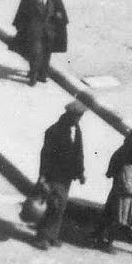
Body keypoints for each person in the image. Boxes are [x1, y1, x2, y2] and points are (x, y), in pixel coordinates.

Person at [34, 101, 87, 250]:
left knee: (60, 206)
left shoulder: (77, 130)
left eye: (80, 116)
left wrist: (81, 172)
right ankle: (42, 237)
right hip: (54, 174)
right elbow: (45, 155)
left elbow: (79, 152)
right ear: (69, 115)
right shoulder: (54, 131)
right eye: (76, 116)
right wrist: (43, 175)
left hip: (67, 175)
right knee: (53, 204)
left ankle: (52, 235)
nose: (78, 119)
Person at [98, 130, 132, 255]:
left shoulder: (120, 152)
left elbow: (109, 173)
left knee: (118, 218)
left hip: (121, 190)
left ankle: (108, 243)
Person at [11, 0, 68, 86]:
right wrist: (21, 27)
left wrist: (59, 17)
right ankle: (33, 76)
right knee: (35, 53)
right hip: (34, 30)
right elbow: (21, 12)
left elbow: (60, 10)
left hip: (49, 30)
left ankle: (42, 75)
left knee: (47, 53)